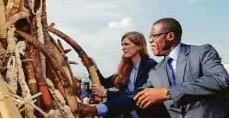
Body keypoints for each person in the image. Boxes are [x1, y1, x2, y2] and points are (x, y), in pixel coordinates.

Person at [81, 18, 229, 117]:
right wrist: (97, 109)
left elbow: (220, 80)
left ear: (170, 36)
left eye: (154, 36)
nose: (150, 41)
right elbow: (135, 97)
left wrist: (167, 92)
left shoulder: (201, 52)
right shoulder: (157, 71)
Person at [80, 31, 169, 117]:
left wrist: (106, 93)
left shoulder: (150, 66)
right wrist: (93, 68)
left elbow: (138, 95)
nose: (123, 47)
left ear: (138, 46)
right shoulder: (126, 69)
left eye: (126, 44)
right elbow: (104, 83)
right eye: (122, 45)